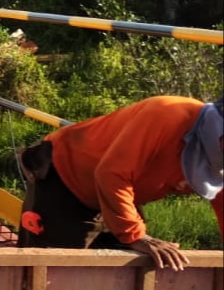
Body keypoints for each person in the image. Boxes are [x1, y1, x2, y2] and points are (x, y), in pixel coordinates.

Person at [18, 96, 223, 270]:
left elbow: (221, 198)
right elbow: (111, 174)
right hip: (67, 177)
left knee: (127, 271)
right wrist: (135, 236)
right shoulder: (167, 113)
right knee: (55, 274)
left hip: (119, 193)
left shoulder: (216, 147)